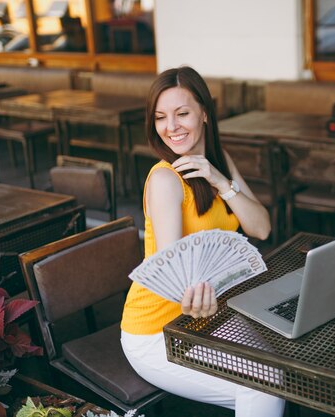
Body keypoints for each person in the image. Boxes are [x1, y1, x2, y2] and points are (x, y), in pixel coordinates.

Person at [120, 66, 285, 417]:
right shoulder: (165, 180)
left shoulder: (219, 162)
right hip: (157, 330)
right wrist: (193, 304)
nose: (172, 127)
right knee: (265, 384)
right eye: (161, 117)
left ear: (205, 114)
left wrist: (221, 181)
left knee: (277, 370)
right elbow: (174, 283)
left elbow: (261, 228)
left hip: (210, 316)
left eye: (182, 113)